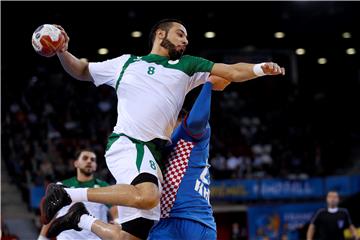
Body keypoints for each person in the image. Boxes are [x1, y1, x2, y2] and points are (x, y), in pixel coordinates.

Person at [41, 18, 285, 240]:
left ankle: (79, 218)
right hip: (130, 143)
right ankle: (68, 194)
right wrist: (63, 52)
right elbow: (82, 70)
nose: (185, 41)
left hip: (153, 156)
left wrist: (261, 68)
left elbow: (230, 71)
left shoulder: (188, 66)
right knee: (147, 197)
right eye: (180, 34)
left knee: (132, 238)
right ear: (160, 34)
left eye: (187, 38)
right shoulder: (126, 63)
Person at [42, 75, 229, 240]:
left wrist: (209, 84)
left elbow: (197, 119)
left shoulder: (188, 134)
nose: (160, 127)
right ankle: (77, 211)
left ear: (178, 120)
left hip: (188, 221)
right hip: (173, 222)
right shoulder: (156, 148)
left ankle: (77, 212)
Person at [38, 149, 118, 240]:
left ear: (95, 166)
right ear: (76, 163)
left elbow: (115, 211)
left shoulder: (104, 187)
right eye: (85, 158)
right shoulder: (61, 186)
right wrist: (41, 238)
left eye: (92, 160)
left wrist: (117, 223)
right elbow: (50, 215)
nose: (89, 161)